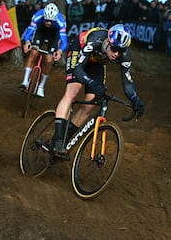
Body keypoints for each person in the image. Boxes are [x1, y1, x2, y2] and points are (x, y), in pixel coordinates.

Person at [51, 24, 145, 155]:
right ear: (107, 41)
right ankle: (57, 140)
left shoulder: (124, 56)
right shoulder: (95, 39)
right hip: (80, 51)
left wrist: (135, 99)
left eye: (121, 51)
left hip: (97, 62)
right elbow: (78, 68)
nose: (116, 54)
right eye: (114, 49)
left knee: (91, 103)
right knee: (73, 91)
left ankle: (65, 139)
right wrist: (90, 82)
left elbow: (127, 83)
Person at [20, 2, 67, 97]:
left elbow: (64, 41)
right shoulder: (38, 15)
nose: (49, 23)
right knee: (33, 53)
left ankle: (41, 86)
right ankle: (25, 81)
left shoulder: (61, 22)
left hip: (54, 34)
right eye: (47, 20)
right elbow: (29, 31)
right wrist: (27, 42)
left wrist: (60, 51)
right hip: (40, 31)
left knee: (49, 60)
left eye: (51, 21)